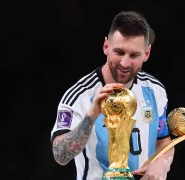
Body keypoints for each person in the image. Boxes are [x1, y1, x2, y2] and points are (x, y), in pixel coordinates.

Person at [50, 10, 174, 180]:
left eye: (134, 55)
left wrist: (163, 163)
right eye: (119, 52)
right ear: (106, 46)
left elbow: (164, 141)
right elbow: (60, 155)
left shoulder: (155, 90)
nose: (124, 63)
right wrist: (92, 115)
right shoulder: (80, 96)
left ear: (147, 53)